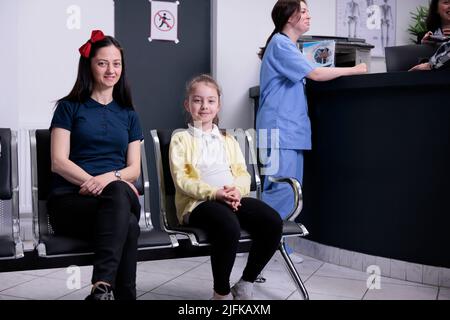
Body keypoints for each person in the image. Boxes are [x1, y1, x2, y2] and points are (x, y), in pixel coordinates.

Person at [256, 0, 367, 264]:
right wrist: (356, 69)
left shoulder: (285, 46)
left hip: (286, 131)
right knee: (280, 190)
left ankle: (276, 247)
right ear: (289, 16)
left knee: (287, 190)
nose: (308, 16)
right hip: (278, 132)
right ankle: (268, 248)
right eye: (303, 11)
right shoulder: (281, 44)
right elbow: (316, 74)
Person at [47, 30, 143, 300]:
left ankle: (101, 287)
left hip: (116, 194)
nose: (111, 70)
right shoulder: (68, 108)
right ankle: (115, 293)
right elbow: (58, 161)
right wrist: (97, 182)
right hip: (72, 201)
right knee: (131, 226)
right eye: (103, 63)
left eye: (116, 63)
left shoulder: (129, 114)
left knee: (119, 191)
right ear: (89, 66)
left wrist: (105, 181)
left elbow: (134, 169)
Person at [169, 74, 283, 300]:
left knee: (272, 221)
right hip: (199, 204)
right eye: (197, 100)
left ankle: (246, 282)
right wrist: (215, 193)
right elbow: (182, 180)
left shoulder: (228, 140)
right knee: (228, 225)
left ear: (218, 105)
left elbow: (241, 173)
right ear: (187, 104)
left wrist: (235, 192)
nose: (204, 106)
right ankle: (220, 293)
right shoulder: (181, 139)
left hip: (231, 198)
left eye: (211, 101)